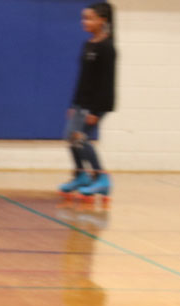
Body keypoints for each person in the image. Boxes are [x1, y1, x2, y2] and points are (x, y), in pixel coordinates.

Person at [59, 2, 116, 201]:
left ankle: (102, 179)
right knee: (70, 137)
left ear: (103, 20)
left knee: (81, 138)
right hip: (81, 103)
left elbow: (106, 83)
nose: (85, 22)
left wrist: (96, 110)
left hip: (96, 104)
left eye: (90, 18)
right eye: (84, 18)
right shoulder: (88, 44)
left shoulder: (107, 48)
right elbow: (84, 78)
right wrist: (74, 104)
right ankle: (81, 175)